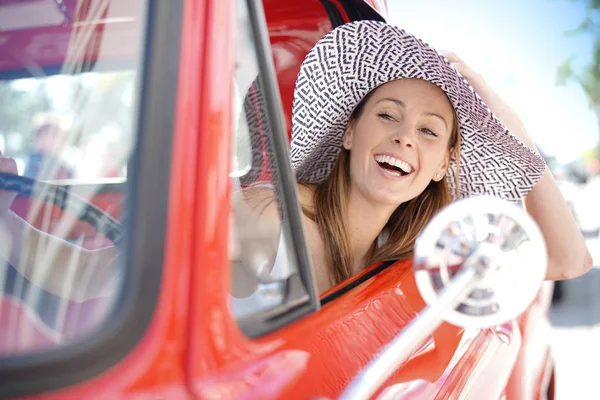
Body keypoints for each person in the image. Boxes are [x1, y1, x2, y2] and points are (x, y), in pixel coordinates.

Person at [0, 21, 592, 301]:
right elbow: (98, 283)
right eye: (386, 115)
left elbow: (566, 260)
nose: (404, 138)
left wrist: (513, 129)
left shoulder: (418, 252)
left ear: (441, 165)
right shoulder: (267, 217)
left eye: (429, 131)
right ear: (349, 136)